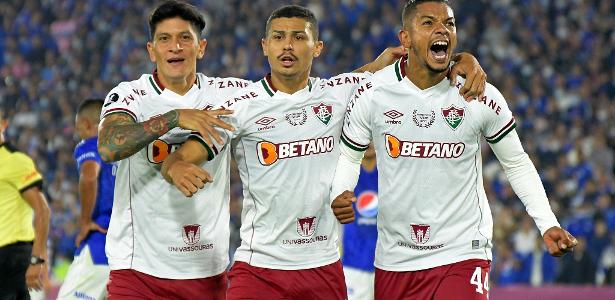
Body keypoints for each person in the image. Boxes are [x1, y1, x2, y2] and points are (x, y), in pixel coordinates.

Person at [161, 5, 485, 299]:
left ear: (317, 47)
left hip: (324, 269)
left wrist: (463, 60)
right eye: (278, 37)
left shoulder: (339, 93)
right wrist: (175, 167)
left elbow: (423, 58)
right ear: (265, 47)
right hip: (259, 269)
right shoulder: (242, 106)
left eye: (298, 37)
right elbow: (184, 154)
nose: (287, 45)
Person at [329, 1, 578, 299]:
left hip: (462, 250)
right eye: (428, 22)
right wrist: (341, 191)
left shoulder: (478, 93)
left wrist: (547, 222)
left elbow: (516, 162)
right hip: (395, 259)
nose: (441, 29)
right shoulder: (373, 92)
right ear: (405, 39)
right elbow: (349, 154)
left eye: (449, 24)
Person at [97, 1, 249, 299]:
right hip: (137, 270)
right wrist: (174, 118)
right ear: (152, 51)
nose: (174, 47)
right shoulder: (130, 95)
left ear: (201, 47)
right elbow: (108, 146)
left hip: (206, 269)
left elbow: (295, 96)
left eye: (184, 38)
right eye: (164, 39)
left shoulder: (228, 94)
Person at [57, 99, 116, 300]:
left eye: (78, 128)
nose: (77, 134)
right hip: (131, 251)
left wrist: (84, 222)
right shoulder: (127, 151)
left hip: (100, 242)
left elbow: (89, 174)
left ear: (87, 124)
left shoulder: (91, 144)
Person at [0, 107, 51, 299]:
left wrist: (37, 259)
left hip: (10, 258)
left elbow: (43, 210)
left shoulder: (16, 161)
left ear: (3, 125)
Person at [342, 143, 378, 300]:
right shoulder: (344, 175)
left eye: (373, 135)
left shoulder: (392, 174)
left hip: (388, 264)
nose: (370, 141)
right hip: (353, 264)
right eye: (366, 135)